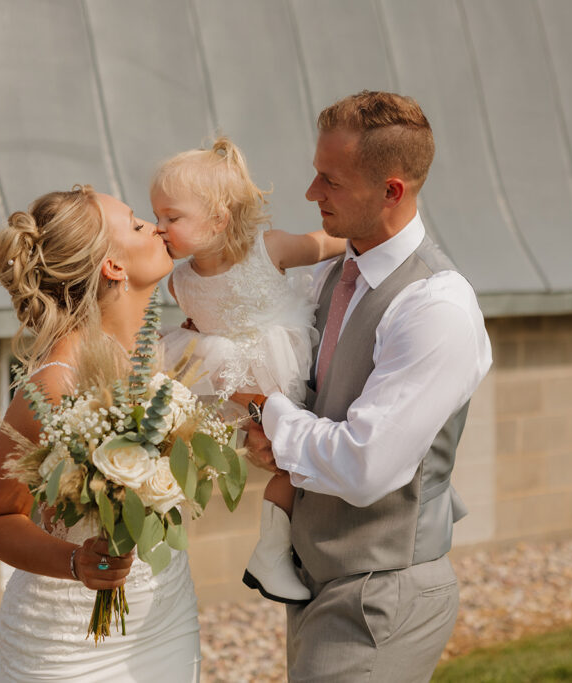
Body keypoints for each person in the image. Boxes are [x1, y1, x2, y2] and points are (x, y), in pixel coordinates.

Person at [242, 91, 493, 682]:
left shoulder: (436, 306)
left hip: (382, 596)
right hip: (320, 581)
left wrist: (265, 408)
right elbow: (316, 413)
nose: (311, 194)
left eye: (330, 180)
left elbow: (366, 465)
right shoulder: (335, 275)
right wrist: (268, 438)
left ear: (392, 191)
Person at [0, 186, 201, 682]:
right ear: (113, 268)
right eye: (139, 225)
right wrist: (77, 562)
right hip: (71, 641)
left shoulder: (159, 352)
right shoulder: (57, 381)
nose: (158, 227)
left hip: (165, 616)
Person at [150, 137, 344, 604]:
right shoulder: (180, 281)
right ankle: (270, 553)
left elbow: (325, 243)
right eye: (156, 216)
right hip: (226, 381)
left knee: (286, 462)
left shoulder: (268, 249)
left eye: (171, 218)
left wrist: (368, 240)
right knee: (271, 455)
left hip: (276, 365)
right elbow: (199, 327)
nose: (159, 228)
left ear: (218, 218)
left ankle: (272, 553)